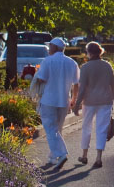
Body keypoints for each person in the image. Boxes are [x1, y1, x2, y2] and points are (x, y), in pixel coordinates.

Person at [34, 37, 80, 172]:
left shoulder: (48, 61)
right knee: (57, 129)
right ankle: (53, 157)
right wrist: (74, 99)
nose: (49, 49)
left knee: (50, 129)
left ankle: (61, 154)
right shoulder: (72, 62)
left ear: (54, 47)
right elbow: (76, 83)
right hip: (64, 100)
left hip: (49, 100)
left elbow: (41, 79)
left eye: (50, 46)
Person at [73, 42, 114, 169]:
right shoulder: (107, 66)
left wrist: (77, 104)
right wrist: (112, 100)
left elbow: (82, 89)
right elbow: (113, 85)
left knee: (86, 127)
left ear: (89, 52)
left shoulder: (85, 67)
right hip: (105, 101)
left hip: (89, 102)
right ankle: (98, 158)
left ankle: (84, 155)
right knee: (102, 129)